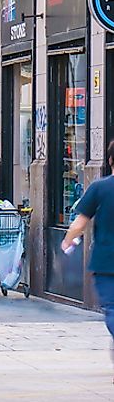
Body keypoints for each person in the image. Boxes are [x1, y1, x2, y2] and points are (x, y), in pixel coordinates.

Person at [61, 141, 114, 359]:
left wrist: (67, 241)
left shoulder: (99, 188)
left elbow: (80, 223)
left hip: (106, 262)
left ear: (110, 160)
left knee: (112, 307)